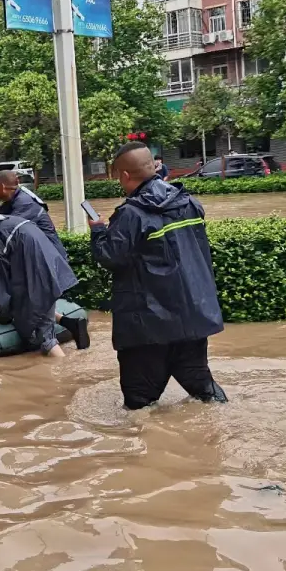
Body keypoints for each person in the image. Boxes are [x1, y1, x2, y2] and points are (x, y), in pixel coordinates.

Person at [88, 142, 228, 409]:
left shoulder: (131, 214)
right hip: (193, 316)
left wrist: (97, 230)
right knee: (202, 389)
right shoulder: (189, 203)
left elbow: (110, 257)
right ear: (155, 166)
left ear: (125, 176)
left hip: (148, 325)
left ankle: (139, 449)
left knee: (138, 404)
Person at [0, 199, 83, 358]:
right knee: (43, 317)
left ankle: (63, 373)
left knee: (44, 335)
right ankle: (71, 325)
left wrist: (4, 316)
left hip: (36, 276)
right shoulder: (8, 220)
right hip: (51, 266)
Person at [0, 171, 69, 262]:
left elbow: (7, 231)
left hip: (53, 260)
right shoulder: (13, 199)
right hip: (42, 257)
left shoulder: (24, 202)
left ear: (2, 187)